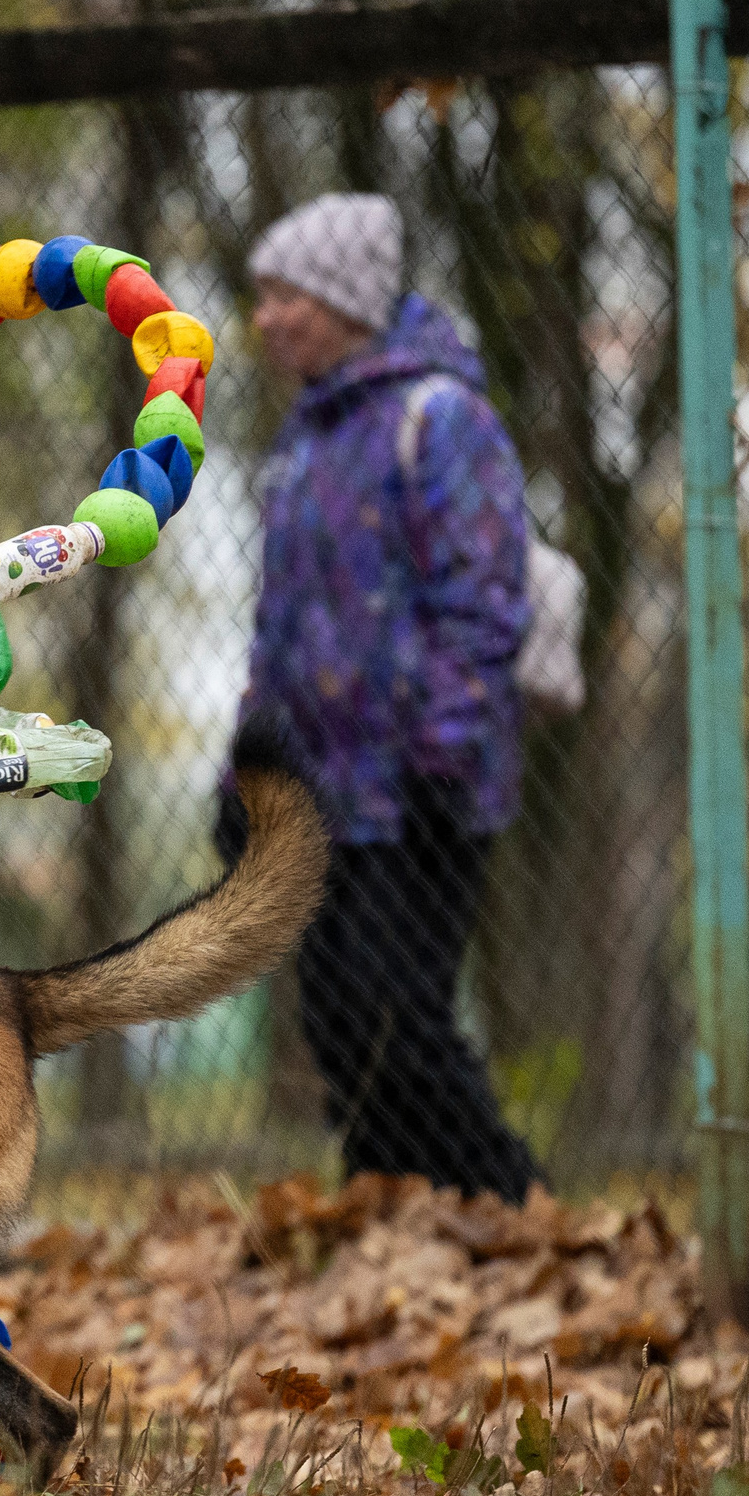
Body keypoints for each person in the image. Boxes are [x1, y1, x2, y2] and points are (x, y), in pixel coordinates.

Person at [234, 193, 543, 1203]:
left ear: (342, 298)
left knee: (396, 1013)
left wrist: (443, 752)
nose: (265, 318)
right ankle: (390, 1218)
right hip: (318, 786)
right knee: (334, 1018)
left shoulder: (441, 419)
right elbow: (276, 621)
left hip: (416, 784)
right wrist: (247, 760)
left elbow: (483, 594)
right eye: (260, 298)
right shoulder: (307, 435)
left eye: (284, 297)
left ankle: (516, 1205)